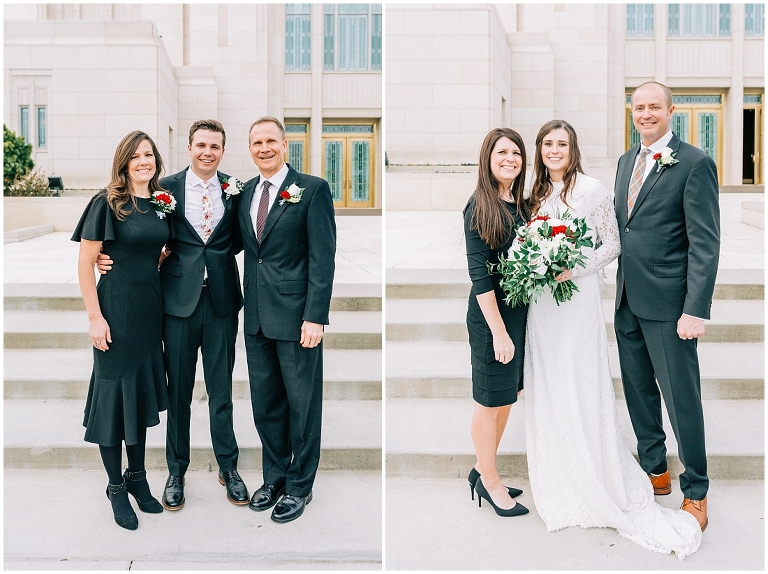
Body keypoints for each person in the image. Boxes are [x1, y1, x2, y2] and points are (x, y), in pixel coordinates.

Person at [523, 119, 701, 559]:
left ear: (573, 148)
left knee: (580, 381)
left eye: (562, 143)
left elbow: (612, 245)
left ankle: (597, 470)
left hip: (577, 299)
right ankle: (559, 472)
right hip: (543, 308)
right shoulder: (534, 196)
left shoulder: (594, 189)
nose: (554, 150)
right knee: (549, 384)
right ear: (539, 149)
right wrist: (530, 264)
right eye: (547, 143)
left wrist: (571, 266)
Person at [97, 120, 247, 510]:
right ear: (189, 146)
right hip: (177, 304)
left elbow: (249, 236)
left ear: (222, 150)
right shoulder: (166, 191)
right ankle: (176, 471)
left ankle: (228, 467)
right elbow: (146, 232)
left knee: (221, 391)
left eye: (214, 146)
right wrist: (108, 255)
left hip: (222, 303)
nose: (206, 152)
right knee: (178, 390)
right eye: (200, 145)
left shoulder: (237, 190)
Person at [614, 81, 720, 532]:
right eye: (639, 107)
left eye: (655, 106)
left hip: (671, 307)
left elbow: (705, 242)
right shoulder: (625, 162)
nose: (646, 114)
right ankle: (654, 471)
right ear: (632, 112)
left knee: (681, 400)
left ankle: (696, 490)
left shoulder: (694, 163)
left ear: (670, 110)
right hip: (627, 301)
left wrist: (695, 308)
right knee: (638, 393)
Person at [238, 117, 336, 523]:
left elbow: (322, 257)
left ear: (285, 145)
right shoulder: (242, 193)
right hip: (257, 317)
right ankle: (274, 476)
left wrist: (315, 317)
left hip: (298, 320)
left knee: (302, 406)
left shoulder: (311, 190)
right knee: (266, 406)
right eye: (256, 142)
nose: (264, 148)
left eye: (271, 141)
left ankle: (300, 486)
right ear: (250, 148)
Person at [72, 131, 169, 530]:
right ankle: (115, 487)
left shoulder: (162, 203)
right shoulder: (107, 202)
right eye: (136, 156)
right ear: (124, 162)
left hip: (149, 313)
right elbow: (85, 263)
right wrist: (95, 318)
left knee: (140, 398)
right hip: (114, 311)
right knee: (114, 402)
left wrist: (157, 257)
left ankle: (138, 478)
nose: (144, 161)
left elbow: (152, 250)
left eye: (149, 154)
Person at [463, 128, 530, 517]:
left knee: (507, 398)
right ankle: (490, 481)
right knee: (489, 402)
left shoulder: (519, 204)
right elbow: (480, 278)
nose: (510, 159)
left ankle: (480, 468)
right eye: (502, 152)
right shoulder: (479, 206)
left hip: (518, 316)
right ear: (488, 158)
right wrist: (500, 332)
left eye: (516, 153)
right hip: (492, 320)